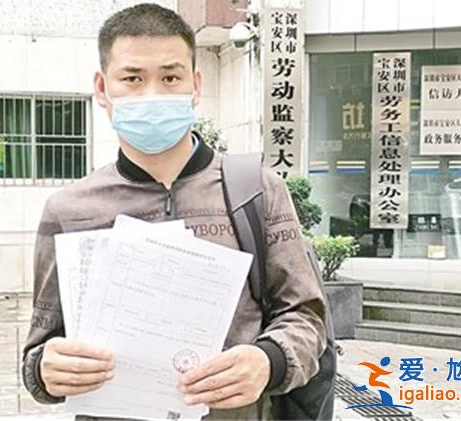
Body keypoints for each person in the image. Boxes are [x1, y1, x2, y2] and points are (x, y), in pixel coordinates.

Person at [21, 3, 326, 420]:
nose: (153, 94)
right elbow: (40, 348)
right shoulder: (69, 210)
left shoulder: (257, 190)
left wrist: (268, 361)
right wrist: (46, 369)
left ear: (195, 85)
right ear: (102, 87)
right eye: (132, 78)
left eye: (170, 77)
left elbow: (306, 315)